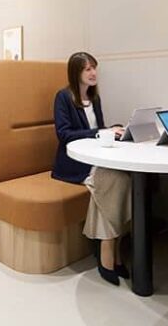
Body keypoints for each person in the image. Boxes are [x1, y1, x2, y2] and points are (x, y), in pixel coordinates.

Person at [52, 52, 133, 286]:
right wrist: (101, 132)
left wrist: (113, 130)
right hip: (73, 162)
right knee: (114, 181)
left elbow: (99, 129)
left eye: (94, 68)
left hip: (96, 157)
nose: (93, 73)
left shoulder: (94, 98)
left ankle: (109, 247)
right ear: (75, 72)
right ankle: (109, 249)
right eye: (87, 69)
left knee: (125, 178)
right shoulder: (63, 97)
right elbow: (64, 134)